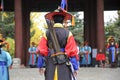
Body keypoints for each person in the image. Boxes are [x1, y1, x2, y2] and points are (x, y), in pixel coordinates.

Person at [37, 8, 79, 80]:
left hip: (51, 62)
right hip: (64, 62)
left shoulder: (46, 33)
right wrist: (75, 68)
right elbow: (72, 52)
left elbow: (42, 51)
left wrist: (40, 65)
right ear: (63, 20)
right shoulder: (68, 33)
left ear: (53, 20)